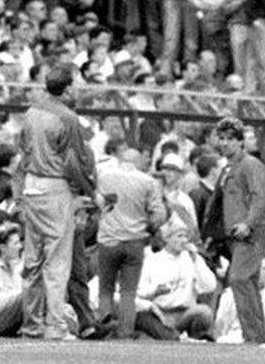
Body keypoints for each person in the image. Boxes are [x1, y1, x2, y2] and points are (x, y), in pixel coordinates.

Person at [17, 63, 95, 340]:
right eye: (74, 84)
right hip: (54, 187)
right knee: (56, 262)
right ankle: (54, 326)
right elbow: (74, 164)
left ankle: (31, 325)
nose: (77, 88)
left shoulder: (31, 111)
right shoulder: (68, 117)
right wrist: (89, 189)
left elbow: (23, 151)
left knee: (33, 261)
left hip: (30, 185)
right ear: (67, 88)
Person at [206, 116, 265, 344]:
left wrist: (248, 223)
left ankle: (253, 337)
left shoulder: (250, 164)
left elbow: (260, 197)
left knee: (239, 278)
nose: (225, 143)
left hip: (251, 232)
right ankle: (257, 338)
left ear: (240, 141)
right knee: (248, 281)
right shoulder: (228, 167)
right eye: (221, 139)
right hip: (235, 234)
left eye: (230, 139)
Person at [96, 147, 167, 339]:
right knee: (128, 291)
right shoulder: (148, 181)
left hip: (108, 240)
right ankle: (125, 332)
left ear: (121, 160)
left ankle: (104, 324)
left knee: (105, 287)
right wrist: (152, 227)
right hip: (135, 242)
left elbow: (96, 202)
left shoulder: (103, 175)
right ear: (137, 162)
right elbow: (159, 214)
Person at [134, 220, 217, 340]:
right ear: (167, 239)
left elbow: (210, 286)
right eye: (179, 236)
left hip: (185, 312)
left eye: (185, 236)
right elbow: (139, 292)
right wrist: (155, 292)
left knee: (205, 313)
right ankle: (173, 337)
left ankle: (195, 339)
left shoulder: (191, 258)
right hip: (161, 313)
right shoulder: (152, 261)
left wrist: (196, 260)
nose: (184, 240)